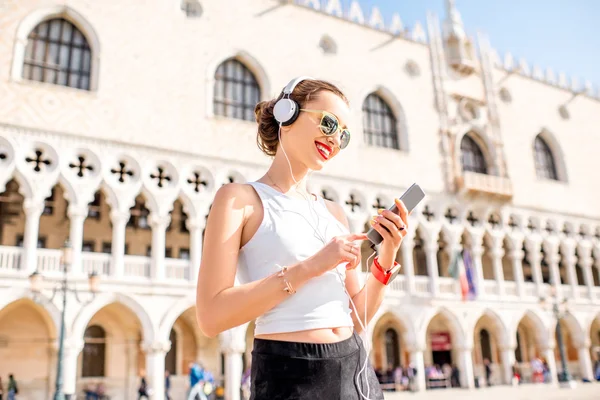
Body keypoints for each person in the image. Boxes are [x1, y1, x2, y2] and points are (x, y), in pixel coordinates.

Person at [196, 77, 410, 400]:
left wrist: (386, 258)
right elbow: (211, 316)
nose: (335, 138)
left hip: (354, 372)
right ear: (288, 113)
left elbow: (357, 316)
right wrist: (313, 266)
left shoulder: (335, 213)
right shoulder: (239, 199)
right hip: (287, 374)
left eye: (344, 135)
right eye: (328, 122)